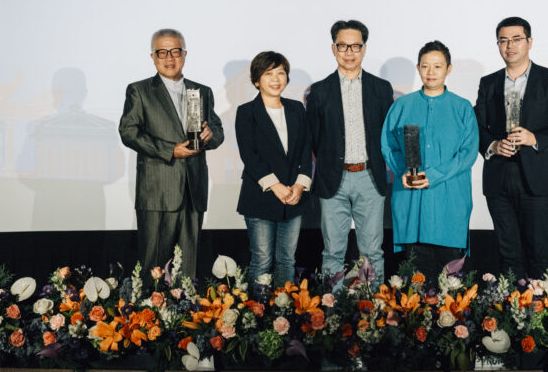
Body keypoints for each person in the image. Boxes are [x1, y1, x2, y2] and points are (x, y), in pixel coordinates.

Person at [474, 17, 548, 280]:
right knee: (507, 253)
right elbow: (477, 127)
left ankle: (540, 303)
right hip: (499, 176)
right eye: (503, 40)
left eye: (516, 39)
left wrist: (535, 138)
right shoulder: (488, 83)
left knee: (538, 252)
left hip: (537, 177)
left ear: (529, 42)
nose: (509, 46)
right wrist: (492, 145)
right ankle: (511, 303)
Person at [118, 28, 223, 278]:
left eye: (175, 51)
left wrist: (210, 135)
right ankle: (150, 304)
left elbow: (217, 131)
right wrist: (170, 150)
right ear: (153, 57)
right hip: (157, 191)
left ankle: (185, 303)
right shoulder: (139, 90)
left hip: (193, 190)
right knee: (153, 267)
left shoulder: (202, 91)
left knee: (188, 268)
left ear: (184, 54)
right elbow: (128, 132)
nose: (169, 58)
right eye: (162, 52)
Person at [381, 41, 479, 284]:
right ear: (418, 68)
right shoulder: (402, 106)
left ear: (449, 69)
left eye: (437, 66)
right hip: (412, 199)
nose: (431, 72)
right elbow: (389, 145)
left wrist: (433, 175)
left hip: (450, 201)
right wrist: (402, 170)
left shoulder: (462, 107)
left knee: (451, 282)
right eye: (425, 66)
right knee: (416, 279)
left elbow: (468, 153)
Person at [306, 19, 394, 285]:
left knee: (372, 252)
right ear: (334, 49)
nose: (349, 52)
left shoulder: (381, 88)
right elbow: (314, 139)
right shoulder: (319, 91)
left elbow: (387, 133)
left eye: (355, 46)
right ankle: (333, 308)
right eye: (343, 46)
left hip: (369, 176)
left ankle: (375, 306)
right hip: (333, 178)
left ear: (364, 49)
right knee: (333, 252)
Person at [235, 51, 313, 287]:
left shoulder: (297, 109)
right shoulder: (246, 112)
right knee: (262, 260)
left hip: (293, 196)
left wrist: (299, 185)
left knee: (287, 261)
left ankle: (284, 307)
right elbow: (249, 155)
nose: (276, 79)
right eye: (268, 74)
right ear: (256, 80)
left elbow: (305, 150)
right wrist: (275, 186)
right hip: (261, 196)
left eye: (280, 73)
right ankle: (258, 309)